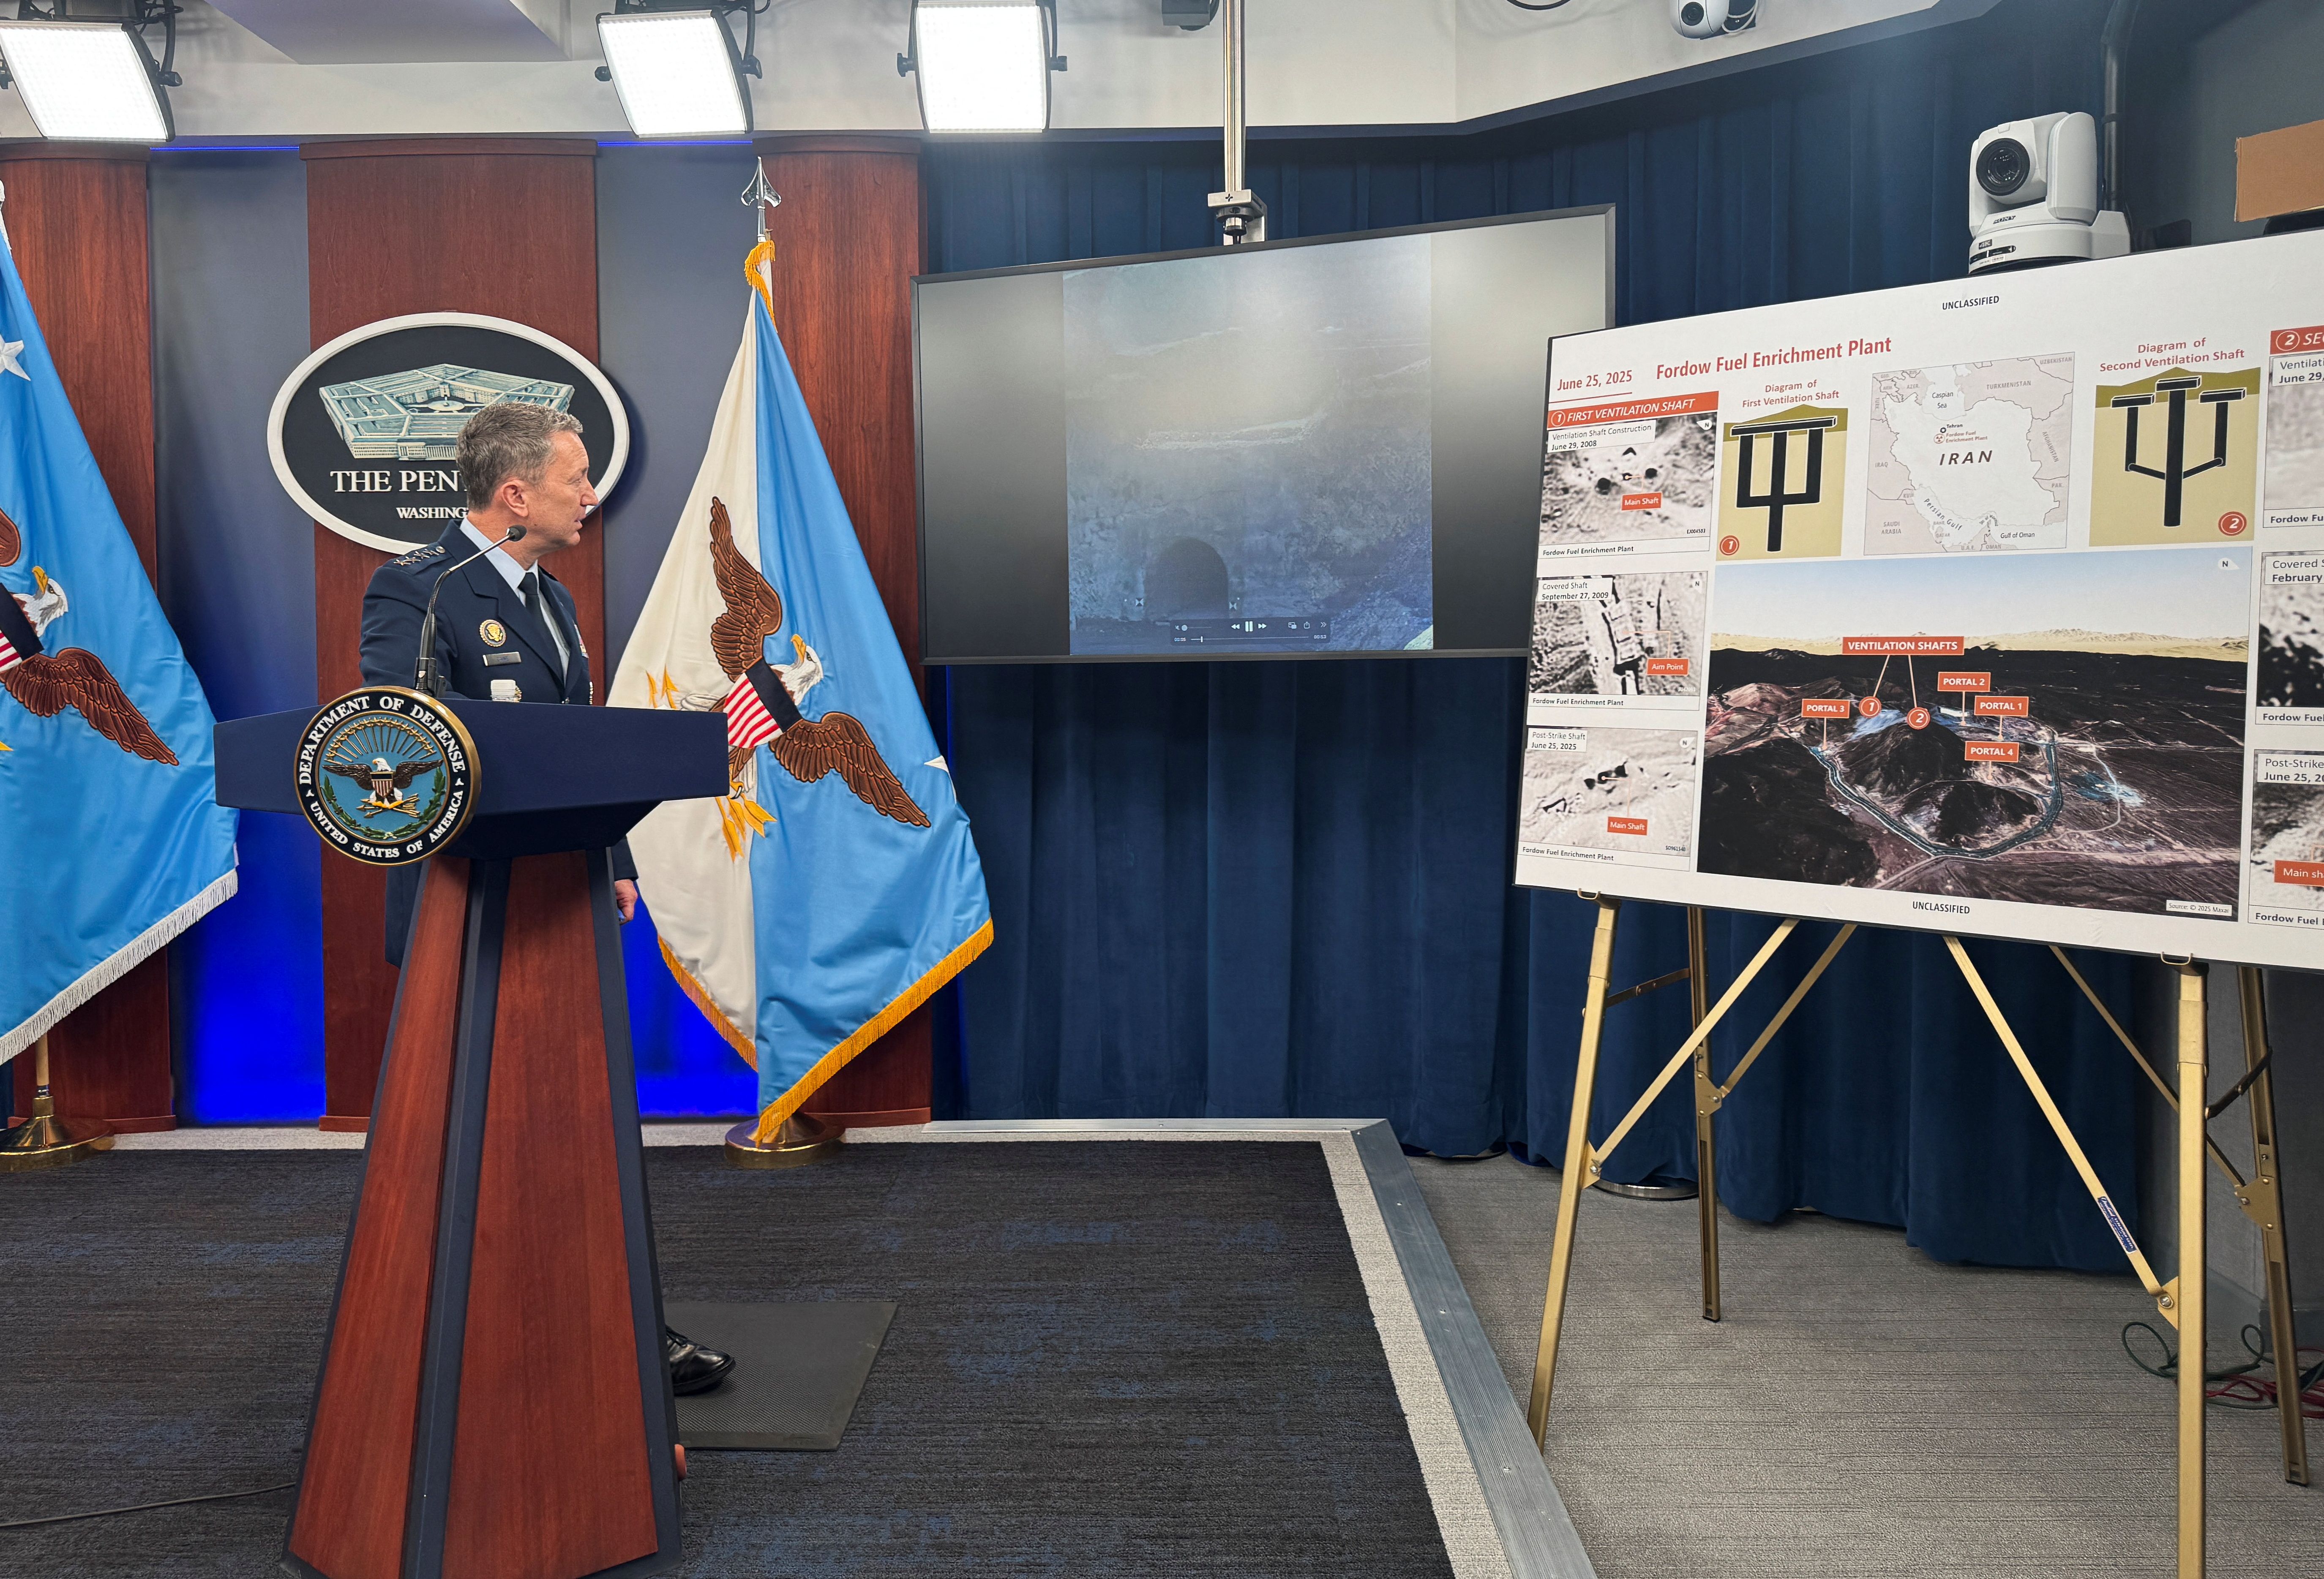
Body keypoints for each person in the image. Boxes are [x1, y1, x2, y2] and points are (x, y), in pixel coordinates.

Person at [358, 402, 734, 1398]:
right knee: (477, 1142)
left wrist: (610, 854)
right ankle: (464, 1346)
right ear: (516, 493)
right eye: (576, 478)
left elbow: (579, 743)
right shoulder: (419, 588)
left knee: (571, 1132)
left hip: (560, 896)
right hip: (471, 903)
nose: (591, 495)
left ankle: (606, 1330)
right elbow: (402, 743)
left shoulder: (553, 599)